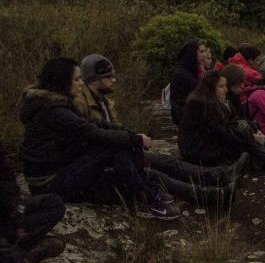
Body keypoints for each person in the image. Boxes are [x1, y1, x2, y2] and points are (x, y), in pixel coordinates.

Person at [19, 57, 179, 220]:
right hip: (49, 182)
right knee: (114, 147)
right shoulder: (54, 111)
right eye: (76, 79)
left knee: (120, 160)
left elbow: (93, 123)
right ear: (62, 82)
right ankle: (146, 198)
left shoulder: (55, 103)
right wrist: (135, 140)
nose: (82, 82)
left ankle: (144, 193)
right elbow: (93, 133)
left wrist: (127, 133)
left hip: (60, 170)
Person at [74, 54, 238, 207]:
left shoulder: (105, 102)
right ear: (94, 81)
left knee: (166, 162)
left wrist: (133, 139)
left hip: (118, 152)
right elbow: (93, 136)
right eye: (108, 77)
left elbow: (116, 129)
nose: (114, 80)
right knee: (154, 173)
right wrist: (131, 140)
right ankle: (209, 195)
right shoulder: (81, 105)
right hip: (108, 159)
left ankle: (218, 176)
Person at [0, 152, 66, 263]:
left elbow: (10, 186)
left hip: (7, 217)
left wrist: (18, 212)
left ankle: (16, 243)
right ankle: (31, 255)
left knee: (53, 204)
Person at [169, 40, 209, 126]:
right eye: (201, 51)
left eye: (205, 51)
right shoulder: (183, 74)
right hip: (188, 122)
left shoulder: (194, 71)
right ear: (192, 54)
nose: (205, 55)